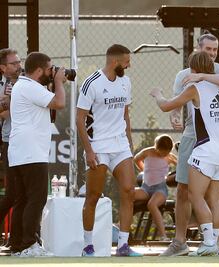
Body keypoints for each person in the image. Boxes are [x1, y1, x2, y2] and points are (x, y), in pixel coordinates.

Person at [150, 51, 219, 256]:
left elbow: (166, 106)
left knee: (195, 195)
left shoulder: (194, 88)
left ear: (194, 69)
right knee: (216, 199)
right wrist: (216, 111)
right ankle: (213, 245)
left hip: (204, 150)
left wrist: (157, 94)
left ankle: (208, 241)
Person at [76, 44, 141, 257]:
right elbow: (79, 119)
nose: (129, 65)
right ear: (115, 62)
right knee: (93, 196)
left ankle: (123, 246)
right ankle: (88, 246)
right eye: (126, 62)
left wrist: (129, 144)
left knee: (129, 191)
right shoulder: (91, 83)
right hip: (98, 146)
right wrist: (89, 151)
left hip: (120, 144)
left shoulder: (125, 82)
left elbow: (126, 115)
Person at [8, 52, 66, 256]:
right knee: (36, 199)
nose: (53, 72)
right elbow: (59, 103)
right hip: (31, 152)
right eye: (50, 69)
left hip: (21, 151)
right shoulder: (30, 87)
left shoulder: (23, 86)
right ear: (39, 70)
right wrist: (59, 82)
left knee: (23, 199)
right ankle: (29, 244)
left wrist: (53, 81)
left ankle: (18, 245)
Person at [133, 134, 177, 241]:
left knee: (151, 204)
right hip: (146, 188)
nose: (164, 154)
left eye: (166, 152)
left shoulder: (170, 157)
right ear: (156, 147)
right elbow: (136, 159)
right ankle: (121, 228)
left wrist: (172, 177)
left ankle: (163, 236)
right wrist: (144, 170)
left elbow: (181, 166)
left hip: (160, 190)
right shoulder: (147, 152)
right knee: (128, 194)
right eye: (162, 152)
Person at [0, 48, 21, 251]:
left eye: (19, 62)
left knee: (22, 194)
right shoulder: (2, 86)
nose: (18, 66)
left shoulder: (26, 82)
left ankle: (17, 239)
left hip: (26, 142)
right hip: (9, 141)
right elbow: (3, 112)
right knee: (12, 194)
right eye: (13, 63)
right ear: (3, 67)